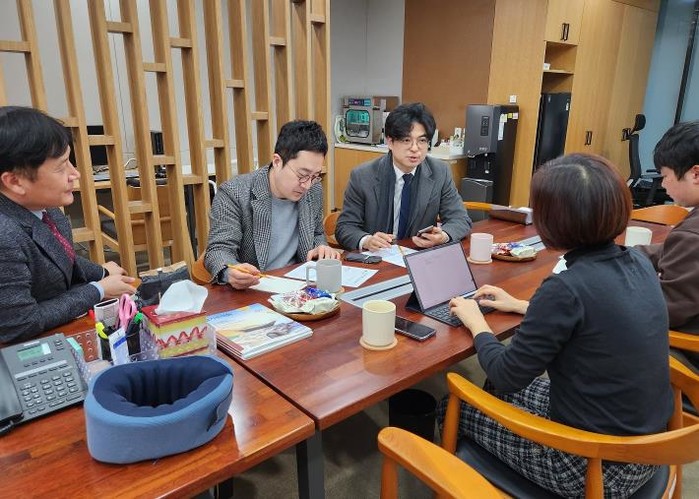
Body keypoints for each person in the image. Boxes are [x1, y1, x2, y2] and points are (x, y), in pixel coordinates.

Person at [443, 153, 673, 497]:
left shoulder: (566, 288)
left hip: (591, 466)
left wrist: (477, 323)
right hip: (651, 447)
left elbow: (507, 374)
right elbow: (596, 318)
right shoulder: (637, 261)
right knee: (493, 389)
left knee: (453, 405)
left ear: (553, 220)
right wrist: (523, 306)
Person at [0, 106, 136, 344]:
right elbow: (20, 324)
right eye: (62, 167)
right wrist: (98, 290)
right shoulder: (5, 235)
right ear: (15, 181)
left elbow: (60, 256)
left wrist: (102, 273)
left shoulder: (45, 208)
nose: (76, 174)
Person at [205, 120, 340, 290]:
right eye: (302, 175)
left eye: (314, 176)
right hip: (253, 289)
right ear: (277, 161)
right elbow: (218, 249)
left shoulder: (314, 189)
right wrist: (229, 271)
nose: (306, 185)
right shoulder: (234, 193)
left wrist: (321, 247)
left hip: (298, 288)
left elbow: (317, 233)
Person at [335, 102, 471, 251]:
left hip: (417, 255)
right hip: (377, 256)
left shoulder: (440, 172)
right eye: (406, 140)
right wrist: (367, 240)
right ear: (390, 142)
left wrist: (443, 236)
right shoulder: (363, 176)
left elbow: (460, 219)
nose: (415, 148)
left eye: (422, 140)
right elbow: (345, 227)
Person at [636, 121, 699, 370]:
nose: (663, 184)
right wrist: (623, 255)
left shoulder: (692, 236)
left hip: (687, 351)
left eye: (665, 176)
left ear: (695, 174)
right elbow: (669, 252)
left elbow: (664, 311)